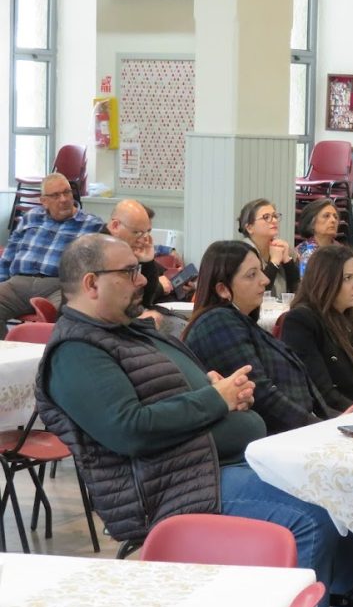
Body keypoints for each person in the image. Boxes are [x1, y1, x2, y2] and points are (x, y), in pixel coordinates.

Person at [32, 234, 353, 607]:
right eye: (128, 273)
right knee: (312, 520)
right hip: (169, 487)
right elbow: (129, 430)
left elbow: (181, 393)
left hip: (212, 464)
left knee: (336, 487)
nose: (142, 281)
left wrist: (221, 391)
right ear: (91, 283)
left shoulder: (128, 333)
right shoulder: (77, 352)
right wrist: (217, 399)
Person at [183, 240, 335, 434]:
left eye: (261, 271)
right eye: (252, 275)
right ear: (222, 289)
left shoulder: (240, 322)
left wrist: (331, 420)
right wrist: (318, 428)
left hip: (289, 433)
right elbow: (261, 393)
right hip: (265, 443)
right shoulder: (216, 323)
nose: (264, 280)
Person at [282, 244, 353, 410]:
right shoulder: (301, 321)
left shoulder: (351, 321)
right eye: (348, 278)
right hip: (332, 419)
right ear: (325, 281)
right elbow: (321, 392)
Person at [0, 172, 104, 336]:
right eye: (55, 195)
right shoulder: (31, 217)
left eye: (66, 192)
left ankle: (48, 358)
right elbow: (9, 253)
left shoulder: (92, 225)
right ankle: (6, 357)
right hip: (18, 282)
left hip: (59, 285)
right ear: (44, 201)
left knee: (67, 316)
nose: (63, 199)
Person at [101, 199, 168, 329]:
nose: (144, 239)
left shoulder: (124, 248)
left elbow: (146, 300)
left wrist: (148, 261)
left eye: (147, 232)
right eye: (137, 232)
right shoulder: (99, 252)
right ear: (115, 226)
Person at [237, 198, 299, 299]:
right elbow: (255, 294)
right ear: (249, 228)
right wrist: (274, 263)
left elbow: (298, 291)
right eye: (266, 217)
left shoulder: (283, 248)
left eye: (275, 216)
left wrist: (287, 261)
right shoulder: (242, 253)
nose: (274, 220)